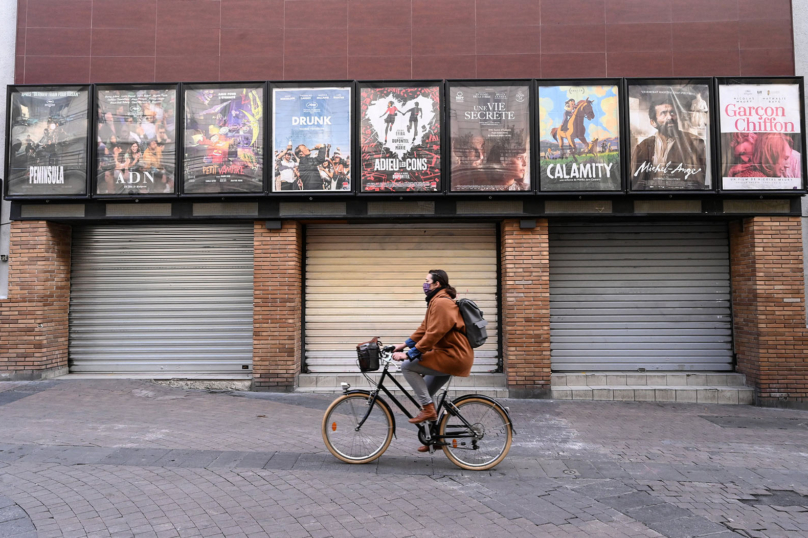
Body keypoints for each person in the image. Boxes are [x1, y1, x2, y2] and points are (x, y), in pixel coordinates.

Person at [392, 270, 474, 452]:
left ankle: (429, 411)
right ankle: (436, 438)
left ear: (437, 284)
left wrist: (410, 353)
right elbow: (424, 328)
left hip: (453, 355)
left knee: (407, 366)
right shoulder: (436, 301)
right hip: (447, 354)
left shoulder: (443, 303)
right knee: (426, 396)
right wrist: (404, 344)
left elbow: (435, 333)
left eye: (427, 281)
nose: (424, 284)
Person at [631, 95, 706, 190]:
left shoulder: (694, 143)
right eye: (663, 113)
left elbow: (699, 181)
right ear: (653, 122)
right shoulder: (643, 147)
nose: (669, 117)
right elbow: (635, 182)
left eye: (672, 112)